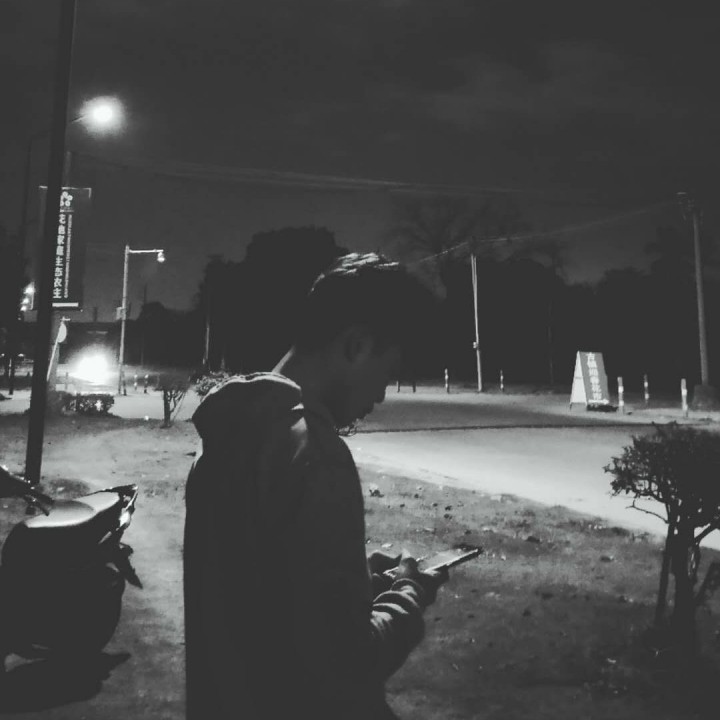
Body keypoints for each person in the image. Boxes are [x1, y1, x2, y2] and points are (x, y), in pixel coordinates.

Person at [183, 252, 447, 720]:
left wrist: (358, 580)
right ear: (356, 346)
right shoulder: (316, 454)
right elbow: (346, 664)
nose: (380, 396)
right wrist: (409, 592)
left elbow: (263, 601)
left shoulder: (230, 434)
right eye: (387, 373)